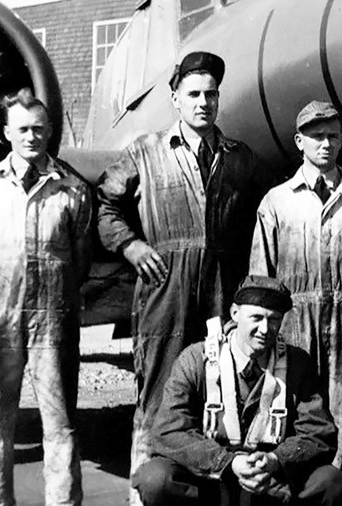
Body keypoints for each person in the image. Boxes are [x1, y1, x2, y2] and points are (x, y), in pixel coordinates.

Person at [96, 51, 274, 487]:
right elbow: (106, 206)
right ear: (175, 98)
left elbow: (259, 221)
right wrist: (132, 245)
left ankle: (212, 491)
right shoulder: (144, 152)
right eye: (193, 94)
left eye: (211, 94)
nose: (203, 103)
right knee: (157, 396)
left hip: (221, 292)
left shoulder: (240, 158)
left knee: (221, 392)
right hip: (164, 291)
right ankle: (145, 489)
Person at [0, 88, 93, 506]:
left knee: (59, 423)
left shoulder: (73, 190)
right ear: (7, 133)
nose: (31, 137)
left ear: (50, 130)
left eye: (38, 128)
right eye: (22, 129)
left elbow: (81, 258)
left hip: (53, 320)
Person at [133, 276, 342, 506]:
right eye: (256, 318)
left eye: (274, 320)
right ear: (234, 314)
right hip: (210, 477)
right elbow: (169, 429)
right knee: (155, 479)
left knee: (333, 484)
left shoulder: (297, 363)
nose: (265, 329)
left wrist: (275, 459)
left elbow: (319, 431)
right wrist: (227, 462)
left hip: (270, 478)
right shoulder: (195, 359)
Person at [250, 100, 342, 466]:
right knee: (294, 414)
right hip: (294, 328)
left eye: (332, 136)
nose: (325, 144)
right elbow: (260, 279)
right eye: (316, 137)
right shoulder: (277, 202)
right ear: (299, 141)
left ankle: (337, 486)